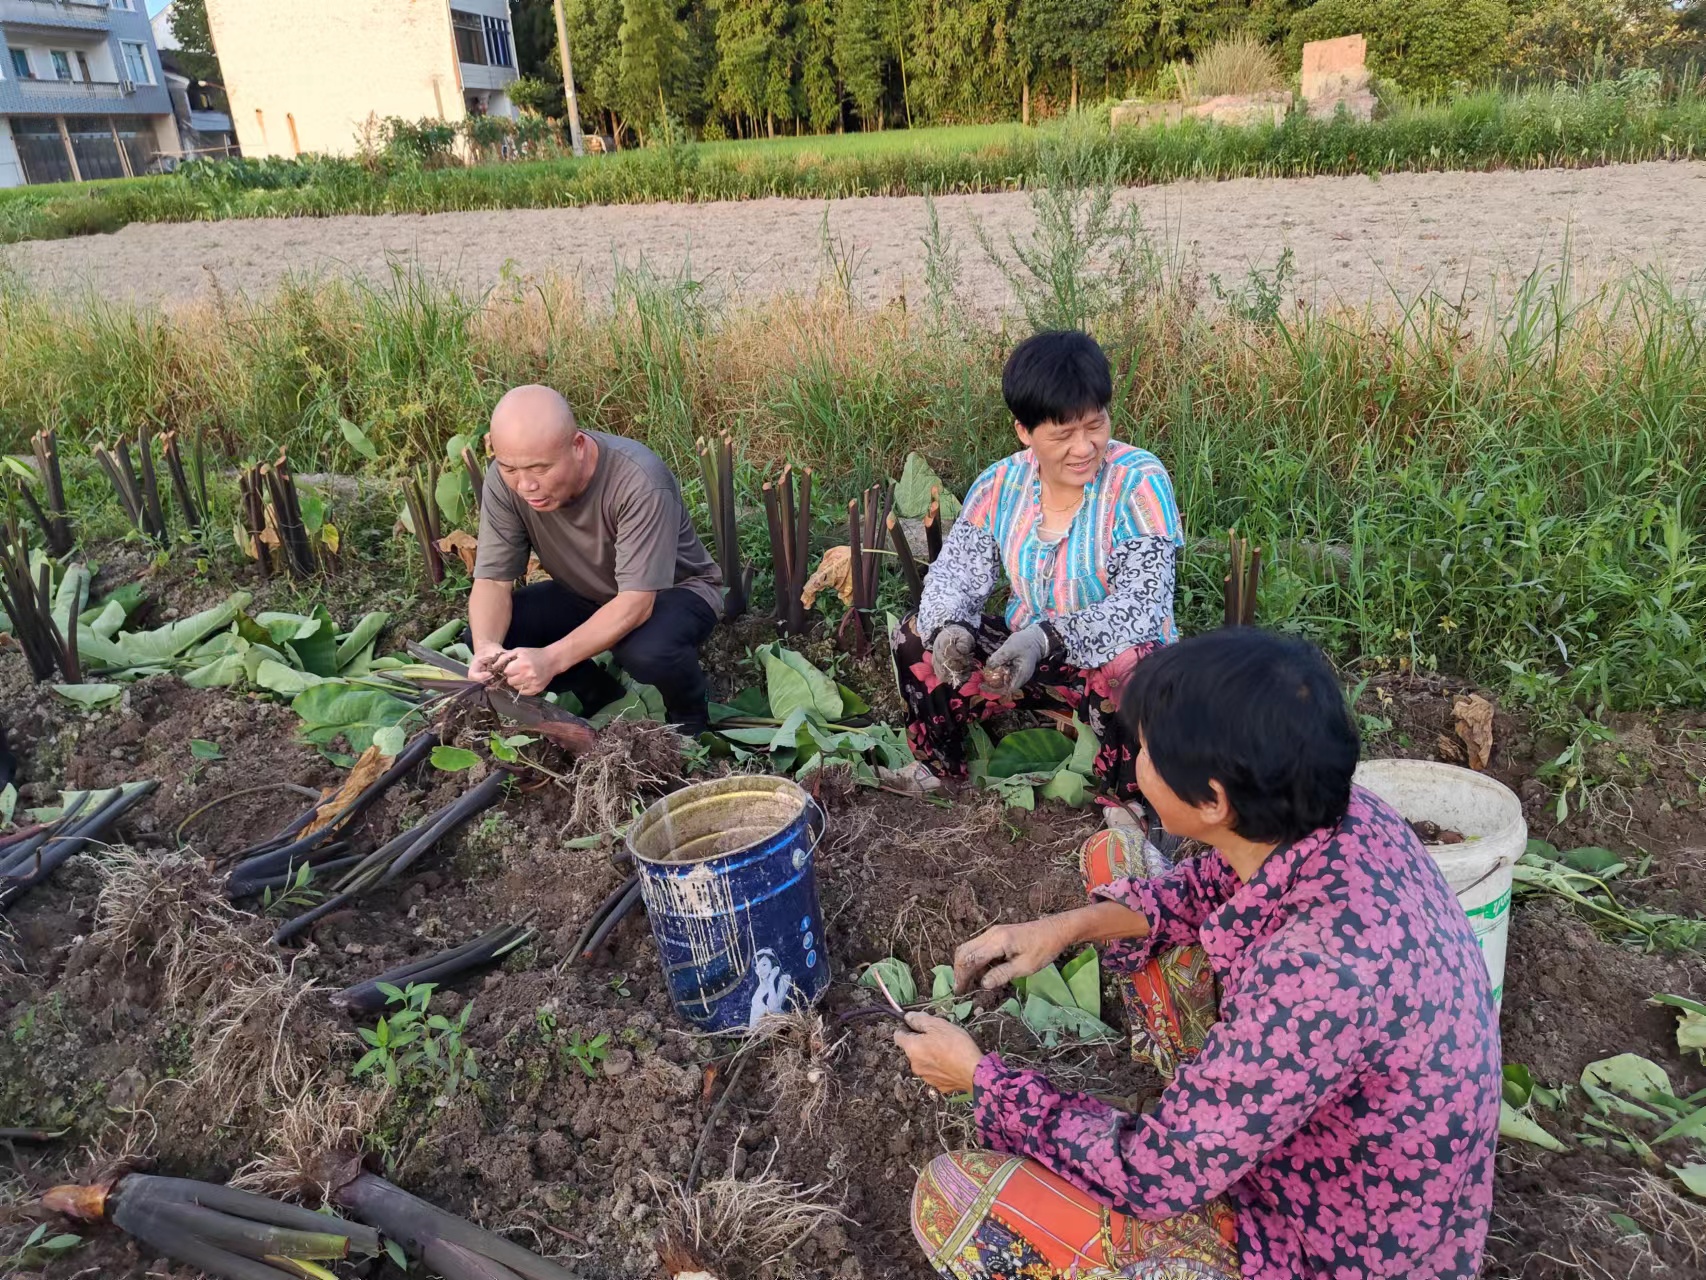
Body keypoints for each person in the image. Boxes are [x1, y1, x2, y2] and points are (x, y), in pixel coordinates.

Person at [895, 629, 1501, 1280]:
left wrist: (981, 1082)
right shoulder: (1347, 813)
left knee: (952, 1202)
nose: (1137, 760)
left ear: (1214, 801)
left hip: (1329, 1247)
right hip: (1336, 1144)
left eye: (1151, 752)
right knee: (1115, 862)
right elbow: (1200, 890)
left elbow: (1152, 1174)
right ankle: (1204, 1106)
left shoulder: (1317, 974)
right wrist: (1062, 929)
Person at [892, 330, 1183, 802]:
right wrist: (950, 628)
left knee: (1135, 667)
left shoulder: (1138, 482)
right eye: (1064, 434)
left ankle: (1128, 803)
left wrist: (1045, 638)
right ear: (1024, 431)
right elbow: (955, 575)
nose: (1085, 447)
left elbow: (1141, 606)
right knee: (915, 637)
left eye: (1095, 425)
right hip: (1019, 664)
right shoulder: (1000, 486)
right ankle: (940, 766)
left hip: (1103, 666)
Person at [468, 385, 723, 735]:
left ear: (578, 446)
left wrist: (550, 660)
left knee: (644, 649)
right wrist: (487, 648)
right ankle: (598, 694)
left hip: (673, 593)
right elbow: (493, 581)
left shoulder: (639, 480)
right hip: (589, 591)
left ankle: (692, 718)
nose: (526, 485)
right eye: (510, 468)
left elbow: (636, 604)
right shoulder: (505, 481)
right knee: (495, 633)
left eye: (540, 469)